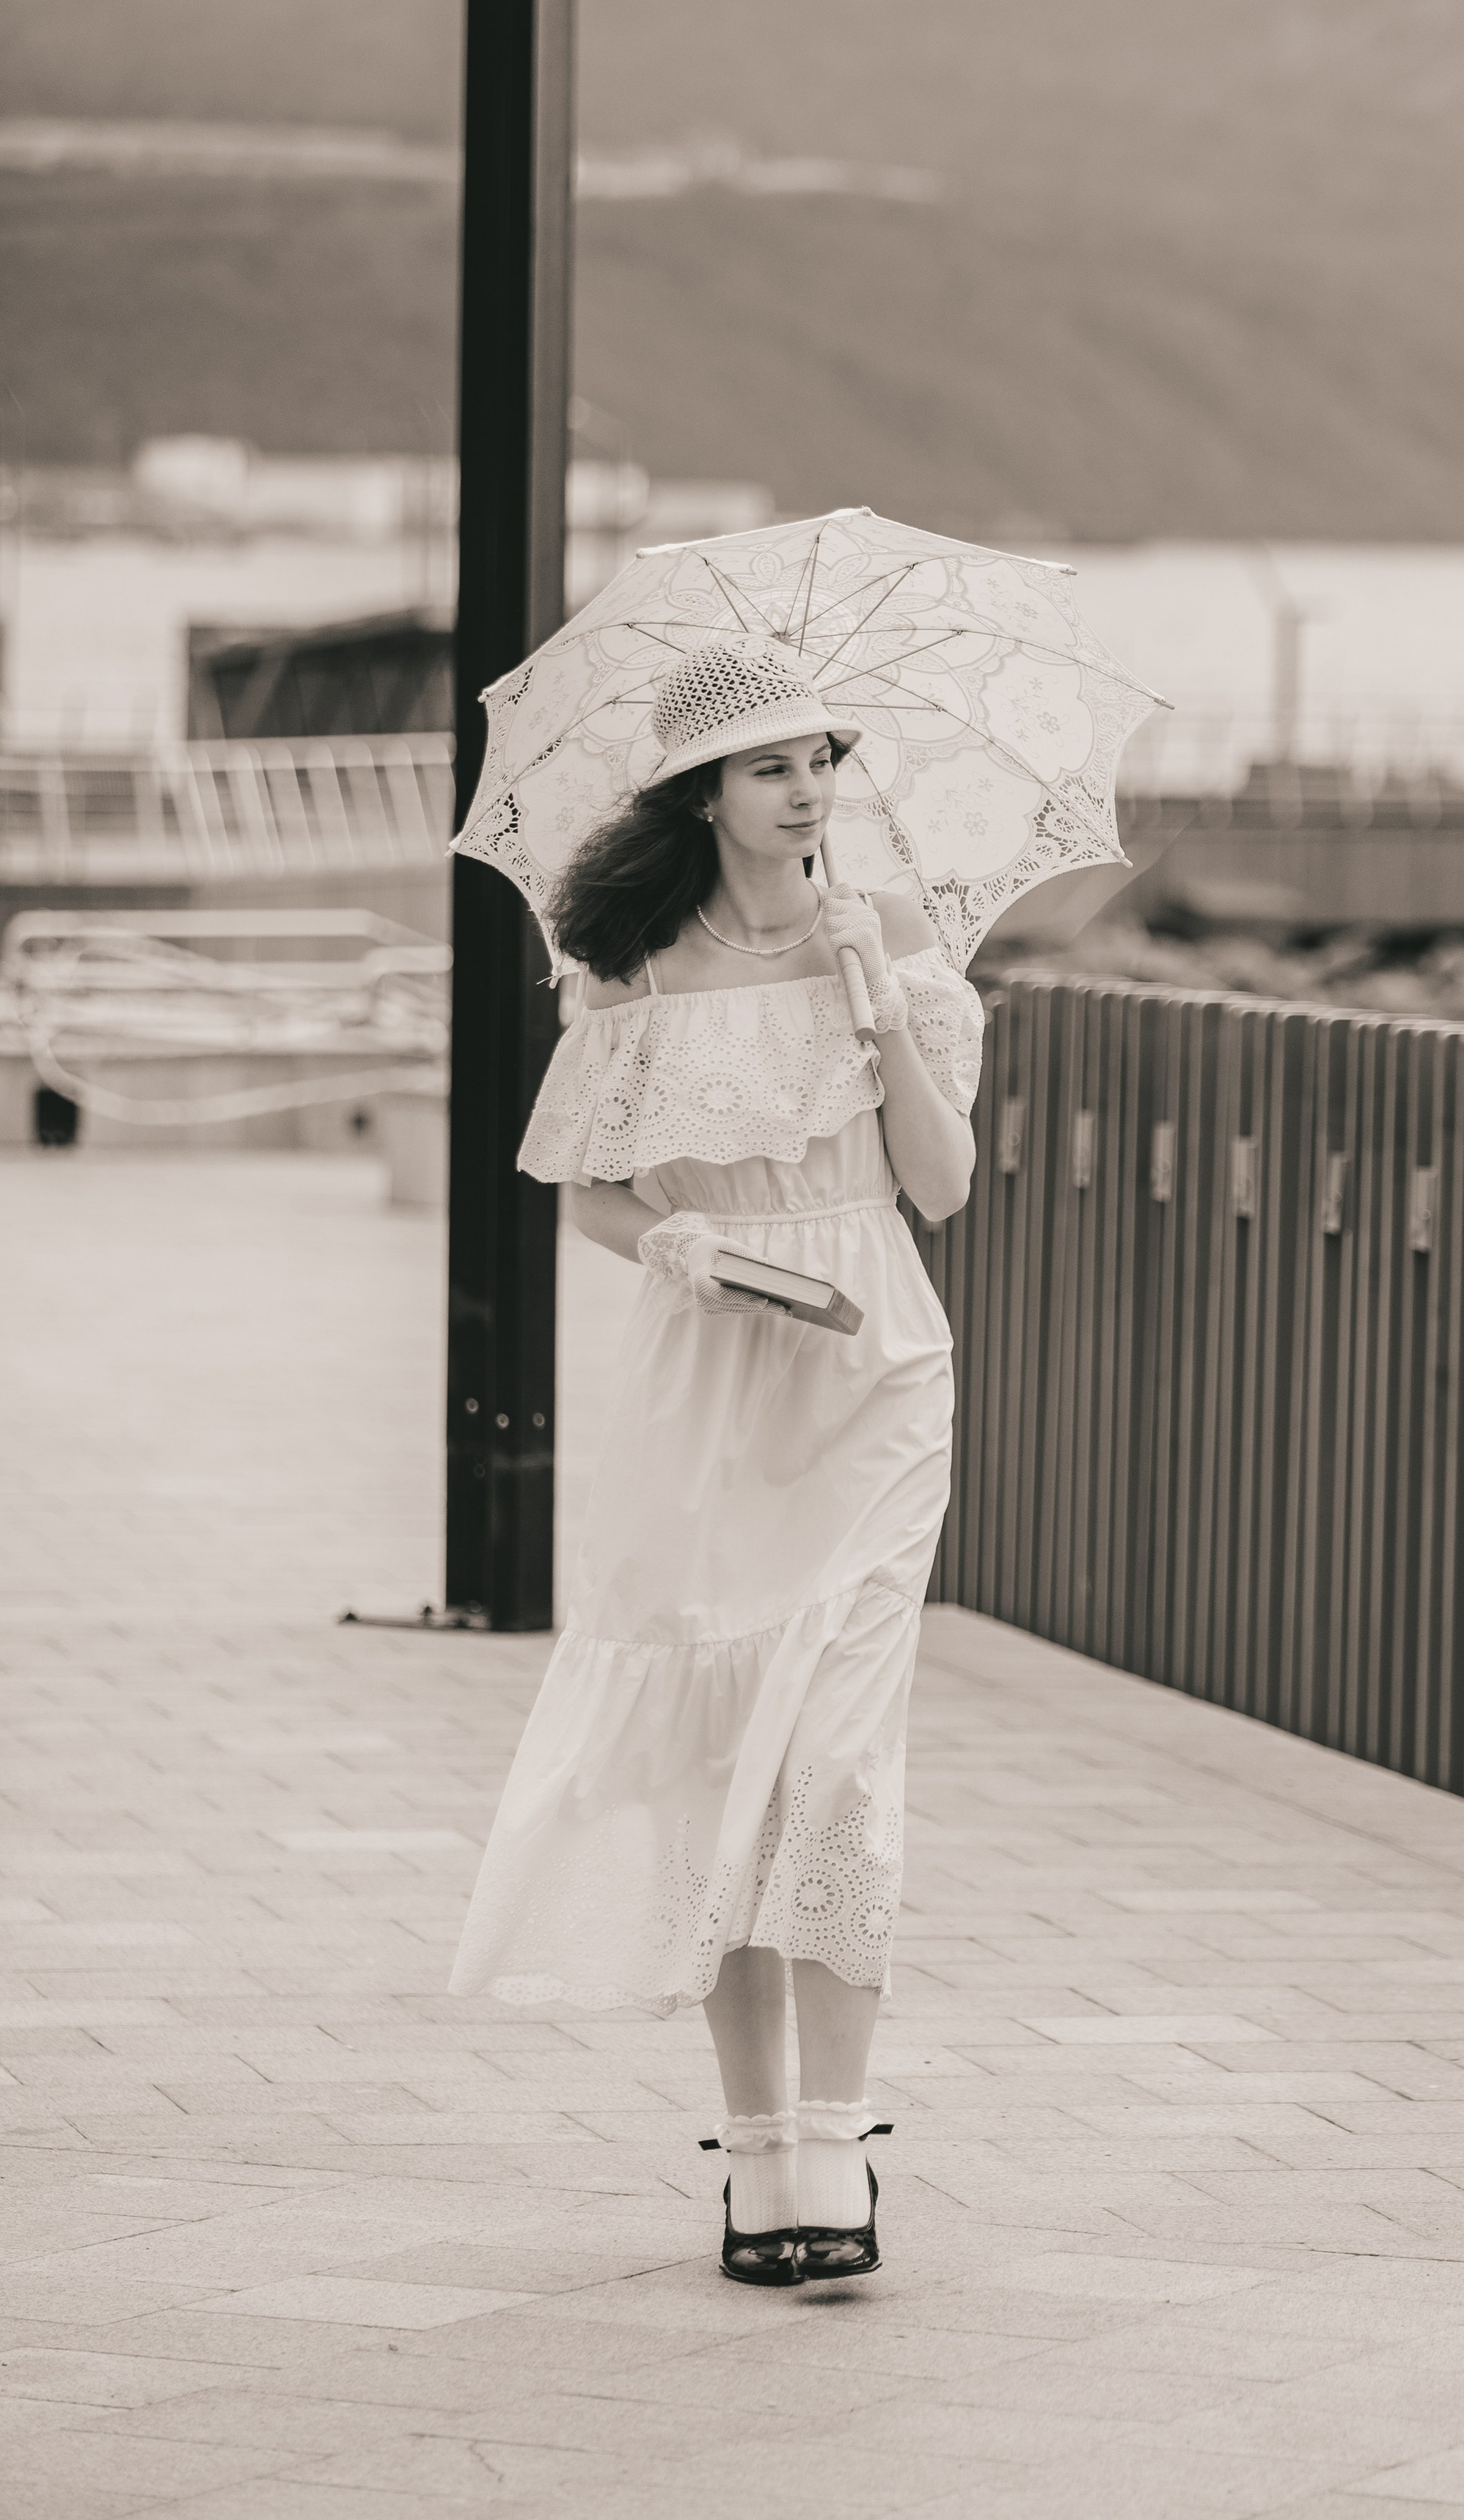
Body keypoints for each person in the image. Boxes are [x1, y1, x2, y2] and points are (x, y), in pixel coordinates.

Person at [448, 640, 982, 2288]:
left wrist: (877, 1009)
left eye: (823, 758)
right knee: (721, 1766)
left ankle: (840, 2136)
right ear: (705, 795)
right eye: (771, 767)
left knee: (830, 1760)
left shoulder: (884, 937)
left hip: (873, 1367)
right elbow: (588, 1190)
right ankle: (757, 2156)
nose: (807, 789)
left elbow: (944, 1187)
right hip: (708, 1381)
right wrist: (678, 1248)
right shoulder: (629, 968)